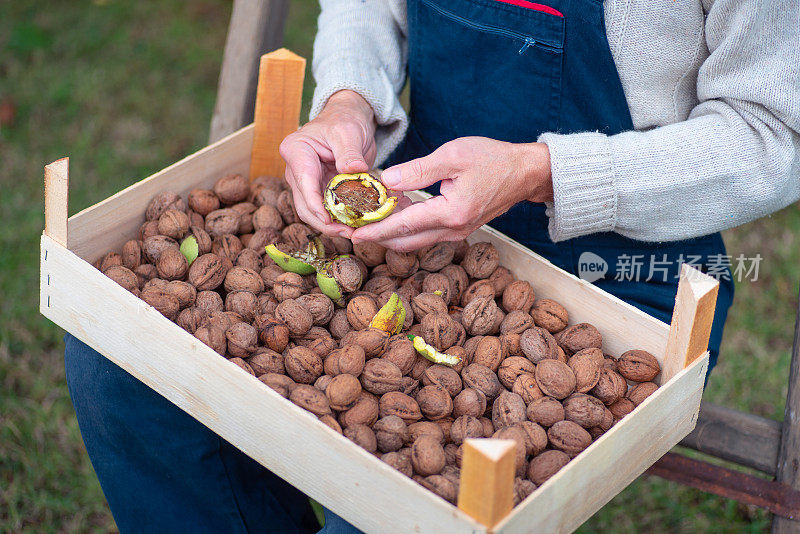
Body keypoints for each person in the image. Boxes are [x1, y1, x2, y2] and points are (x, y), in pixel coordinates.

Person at [65, 0, 799, 532]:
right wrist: (350, 102)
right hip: (405, 223)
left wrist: (541, 172)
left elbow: (774, 132)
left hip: (622, 268)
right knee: (115, 367)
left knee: (401, 505)